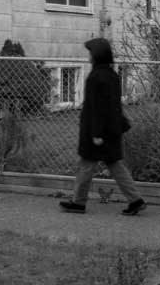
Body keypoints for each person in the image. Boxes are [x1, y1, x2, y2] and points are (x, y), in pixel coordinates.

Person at [59, 37, 146, 216]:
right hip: (112, 129)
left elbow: (98, 107)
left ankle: (78, 202)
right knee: (115, 165)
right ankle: (135, 200)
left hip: (97, 131)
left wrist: (96, 133)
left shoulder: (96, 77)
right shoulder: (112, 75)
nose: (89, 56)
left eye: (90, 53)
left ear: (97, 55)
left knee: (86, 165)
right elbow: (112, 105)